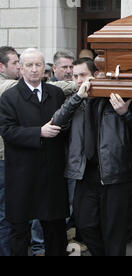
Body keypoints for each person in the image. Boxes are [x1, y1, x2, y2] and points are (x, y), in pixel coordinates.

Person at [53, 57, 132, 256]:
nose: (78, 80)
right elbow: (57, 122)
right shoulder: (75, 100)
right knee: (85, 225)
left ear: (96, 75)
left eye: (82, 75)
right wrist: (77, 97)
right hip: (85, 173)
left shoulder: (117, 98)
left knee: (114, 231)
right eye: (75, 76)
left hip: (115, 174)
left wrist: (125, 113)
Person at [0, 48, 69, 256]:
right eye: (29, 65)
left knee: (55, 228)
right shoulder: (9, 97)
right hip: (22, 172)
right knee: (19, 228)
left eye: (38, 65)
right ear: (20, 69)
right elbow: (8, 131)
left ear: (44, 68)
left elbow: (65, 125)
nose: (33, 70)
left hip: (51, 171)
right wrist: (39, 132)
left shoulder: (55, 93)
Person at [0, 46, 20, 256]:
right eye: (15, 63)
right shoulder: (8, 86)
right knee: (5, 214)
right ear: (2, 66)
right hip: (3, 159)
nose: (20, 67)